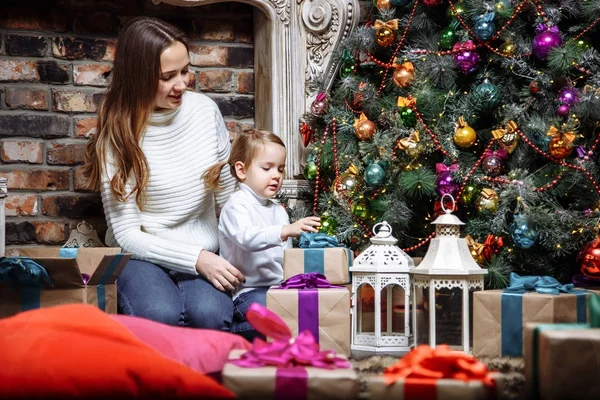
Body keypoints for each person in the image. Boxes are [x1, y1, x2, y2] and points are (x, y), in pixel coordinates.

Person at [82, 17, 244, 330]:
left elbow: (228, 198)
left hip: (205, 251)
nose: (182, 84)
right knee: (160, 314)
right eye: (168, 77)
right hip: (141, 256)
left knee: (210, 315)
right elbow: (128, 235)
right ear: (139, 78)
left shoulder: (205, 111)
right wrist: (196, 259)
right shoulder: (118, 134)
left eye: (185, 70)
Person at [204, 129, 321, 340]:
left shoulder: (278, 210)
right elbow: (247, 238)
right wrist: (285, 231)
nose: (276, 175)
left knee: (303, 309)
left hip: (277, 288)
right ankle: (230, 335)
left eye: (281, 169)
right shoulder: (237, 205)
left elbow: (286, 256)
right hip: (248, 292)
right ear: (242, 170)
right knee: (275, 316)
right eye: (267, 168)